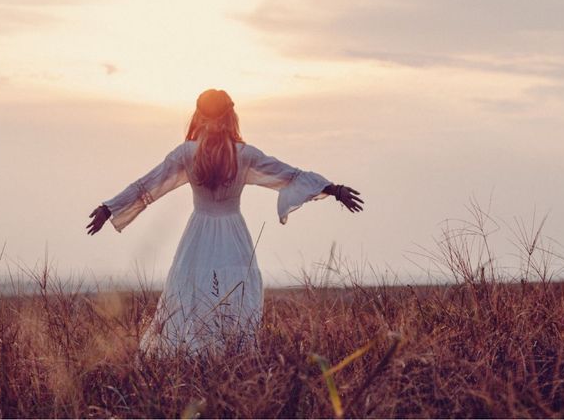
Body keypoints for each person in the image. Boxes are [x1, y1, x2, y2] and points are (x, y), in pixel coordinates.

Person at [85, 89, 363, 355]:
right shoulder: (207, 153)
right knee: (202, 291)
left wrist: (333, 189)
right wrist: (110, 208)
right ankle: (211, 355)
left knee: (213, 291)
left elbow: (289, 174)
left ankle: (219, 354)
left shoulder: (231, 154)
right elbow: (149, 183)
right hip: (226, 233)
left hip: (207, 233)